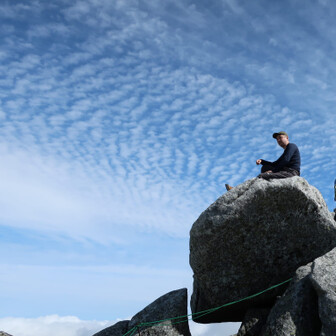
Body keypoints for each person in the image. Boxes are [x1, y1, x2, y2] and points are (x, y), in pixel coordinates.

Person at [225, 131, 300, 190]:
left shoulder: (291, 146)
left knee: (262, 176)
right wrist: (262, 161)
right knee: (265, 167)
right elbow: (275, 164)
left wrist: (273, 171)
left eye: (280, 137)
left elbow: (285, 160)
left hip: (291, 173)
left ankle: (239, 190)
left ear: (287, 138)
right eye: (277, 139)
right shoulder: (286, 151)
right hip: (285, 171)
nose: (278, 140)